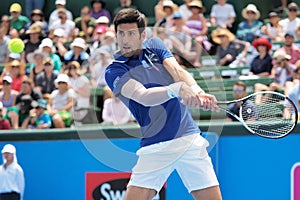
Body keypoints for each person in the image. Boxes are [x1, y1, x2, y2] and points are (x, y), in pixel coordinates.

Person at [105, 8, 221, 199]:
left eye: (131, 33)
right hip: (156, 145)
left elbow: (177, 70)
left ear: (143, 34)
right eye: (121, 33)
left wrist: (197, 91)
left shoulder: (155, 46)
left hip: (189, 138)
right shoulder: (114, 71)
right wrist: (176, 89)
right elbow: (143, 96)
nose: (125, 39)